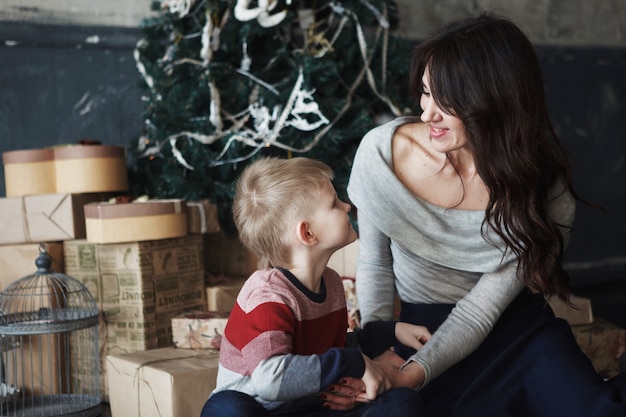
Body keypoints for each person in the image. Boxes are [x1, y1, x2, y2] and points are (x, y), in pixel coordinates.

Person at [324, 12, 626, 417]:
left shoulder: (541, 187)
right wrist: (381, 350)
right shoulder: (381, 154)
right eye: (427, 92)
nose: (427, 112)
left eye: (447, 101)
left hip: (516, 335)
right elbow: (376, 261)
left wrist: (408, 376)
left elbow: (480, 311)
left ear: (496, 103)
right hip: (421, 336)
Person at [200, 156, 431, 417]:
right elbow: (271, 381)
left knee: (401, 402)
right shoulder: (266, 295)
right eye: (334, 203)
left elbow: (327, 351)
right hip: (261, 409)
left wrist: (391, 332)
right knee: (226, 408)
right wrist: (353, 362)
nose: (346, 206)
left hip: (311, 407)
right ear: (308, 234)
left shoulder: (330, 283)